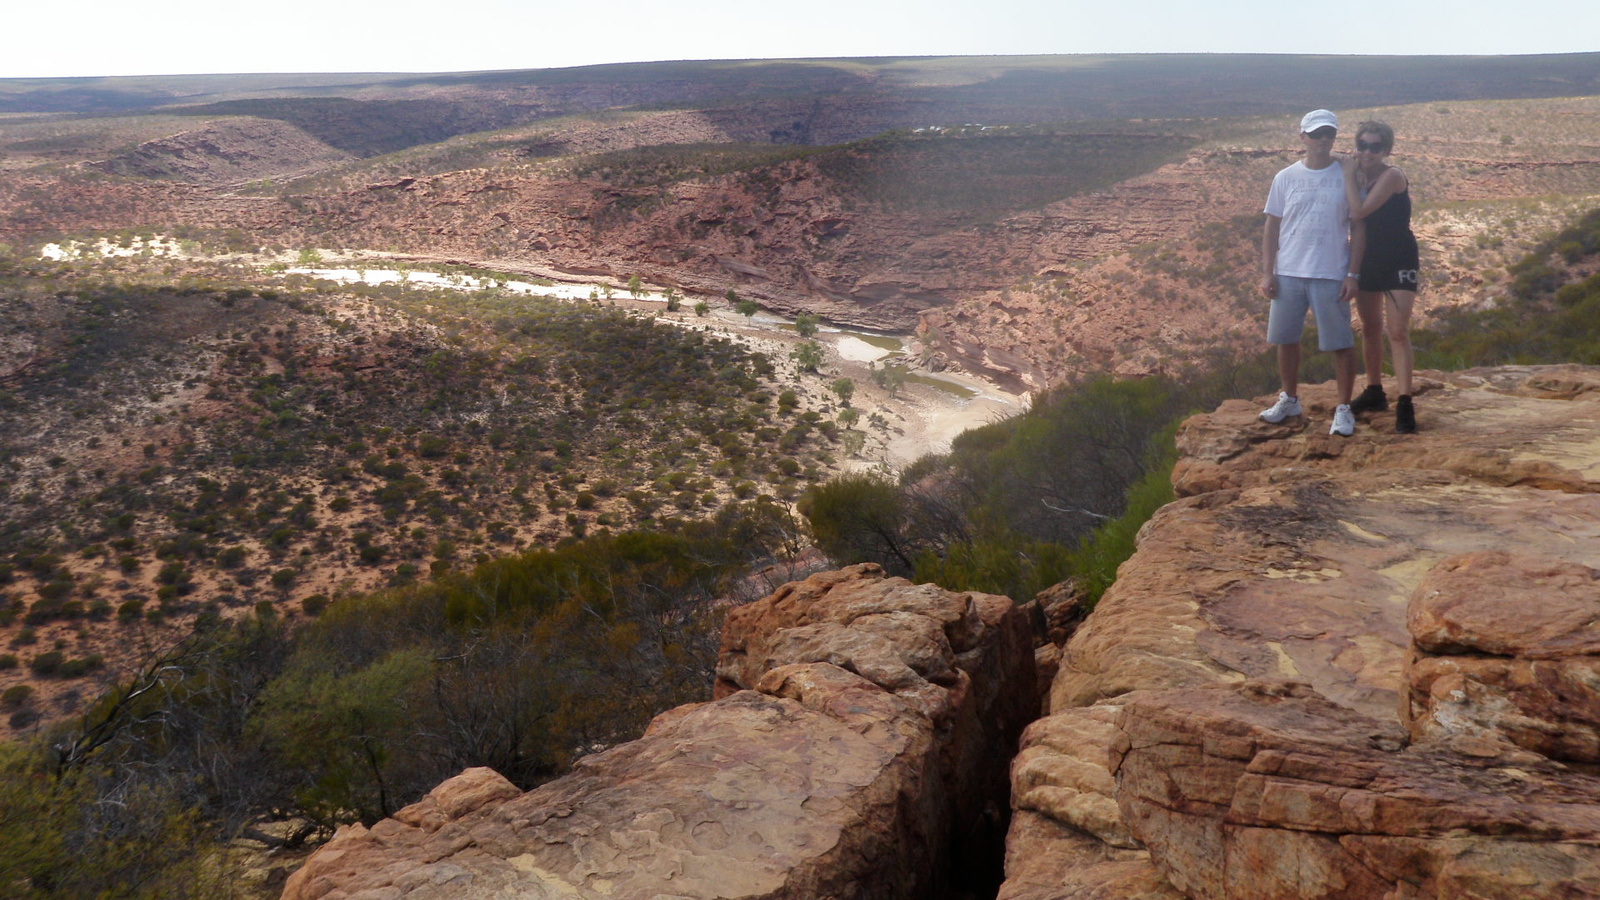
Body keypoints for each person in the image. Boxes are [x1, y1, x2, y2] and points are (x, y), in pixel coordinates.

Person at [1258, 109, 1365, 436]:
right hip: (1289, 271)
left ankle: (1344, 408)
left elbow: (1358, 226)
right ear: (1302, 137)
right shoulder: (1286, 177)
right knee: (1285, 339)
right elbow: (1271, 226)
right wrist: (1267, 272)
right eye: (1316, 133)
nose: (1322, 140)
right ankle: (1290, 399)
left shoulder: (1347, 175)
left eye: (1328, 134)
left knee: (1339, 343)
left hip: (1330, 272)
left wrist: (1353, 275)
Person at [1342, 121, 1421, 433]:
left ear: (1387, 149)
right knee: (1370, 328)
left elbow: (1358, 211)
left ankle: (1405, 402)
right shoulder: (1361, 175)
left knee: (1397, 331)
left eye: (1375, 146)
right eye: (1362, 145)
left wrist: (1347, 174)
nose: (1367, 152)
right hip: (1368, 257)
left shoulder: (1392, 176)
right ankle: (1374, 390)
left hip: (1399, 257)